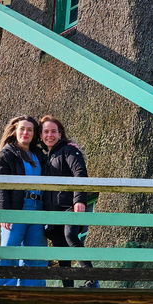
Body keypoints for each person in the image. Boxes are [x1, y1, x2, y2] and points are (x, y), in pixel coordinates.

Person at [39, 115, 98, 288]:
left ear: (60, 133)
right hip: (52, 211)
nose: (50, 135)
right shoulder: (43, 158)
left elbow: (80, 173)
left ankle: (92, 279)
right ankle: (68, 288)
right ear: (41, 135)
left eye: (54, 131)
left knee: (70, 235)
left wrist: (79, 199)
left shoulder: (69, 150)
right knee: (60, 247)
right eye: (46, 132)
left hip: (68, 206)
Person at [0, 115, 47, 287]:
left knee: (35, 254)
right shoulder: (7, 153)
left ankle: (31, 292)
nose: (26, 132)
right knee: (8, 250)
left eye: (30, 129)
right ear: (15, 131)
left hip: (38, 208)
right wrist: (4, 212)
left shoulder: (39, 154)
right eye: (22, 128)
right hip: (18, 208)